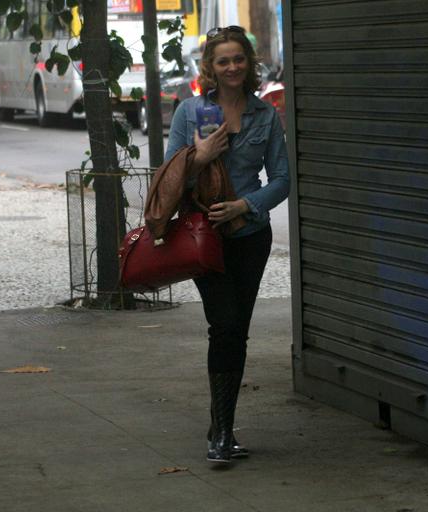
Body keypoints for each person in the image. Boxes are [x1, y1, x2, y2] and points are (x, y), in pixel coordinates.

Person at [164, 25, 290, 464]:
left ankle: (222, 425)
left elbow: (282, 179)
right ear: (210, 68)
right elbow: (169, 177)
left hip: (250, 236)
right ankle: (221, 433)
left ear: (249, 64)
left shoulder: (264, 115)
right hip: (204, 238)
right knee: (225, 323)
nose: (232, 67)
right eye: (223, 61)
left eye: (239, 59)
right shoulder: (189, 112)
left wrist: (245, 205)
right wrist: (198, 155)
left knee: (237, 329)